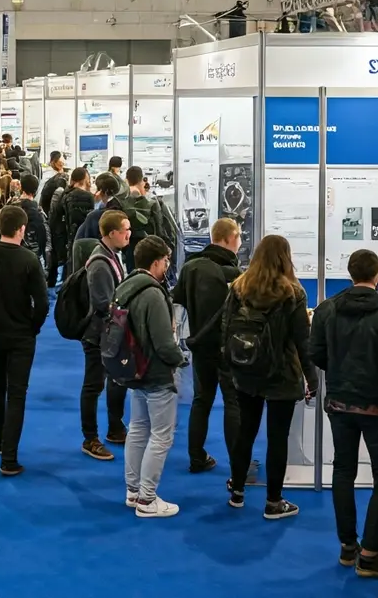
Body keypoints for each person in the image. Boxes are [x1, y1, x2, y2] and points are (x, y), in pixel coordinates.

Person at [308, 248, 378, 577]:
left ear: (350, 274)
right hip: (377, 405)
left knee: (343, 469)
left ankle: (348, 546)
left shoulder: (326, 310)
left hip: (339, 402)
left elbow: (316, 354)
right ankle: (370, 553)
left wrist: (339, 368)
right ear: (377, 276)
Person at [225, 234, 317, 520]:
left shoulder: (239, 287)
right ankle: (273, 502)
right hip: (282, 373)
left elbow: (226, 328)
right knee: (278, 439)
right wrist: (311, 378)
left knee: (246, 432)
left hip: (246, 370)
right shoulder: (293, 293)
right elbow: (302, 340)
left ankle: (237, 492)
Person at [0, 205, 49, 476]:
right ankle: (9, 457)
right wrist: (33, 327)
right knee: (17, 394)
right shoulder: (29, 260)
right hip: (21, 337)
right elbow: (42, 303)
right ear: (22, 229)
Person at [115, 235, 185, 518]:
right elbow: (164, 343)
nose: (167, 265)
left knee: (137, 429)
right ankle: (147, 499)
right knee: (161, 437)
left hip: (133, 369)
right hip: (156, 373)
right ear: (157, 262)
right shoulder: (153, 294)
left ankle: (134, 491)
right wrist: (180, 360)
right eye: (166, 260)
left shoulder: (125, 286)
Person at [172, 217, 242, 473]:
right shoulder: (234, 275)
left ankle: (196, 456)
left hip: (199, 343)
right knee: (232, 402)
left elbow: (178, 302)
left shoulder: (191, 267)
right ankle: (238, 465)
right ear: (230, 239)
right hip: (228, 347)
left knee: (201, 400)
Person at [81, 210, 131, 461]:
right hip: (98, 334)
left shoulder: (111, 255)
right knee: (94, 385)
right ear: (112, 233)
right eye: (125, 230)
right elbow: (103, 303)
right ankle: (90, 438)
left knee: (116, 380)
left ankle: (115, 428)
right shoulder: (101, 263)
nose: (129, 234)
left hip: (110, 332)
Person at [48, 167, 93, 283]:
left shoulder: (65, 194)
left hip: (65, 239)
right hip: (80, 239)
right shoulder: (86, 196)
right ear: (85, 179)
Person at [16, 174, 47, 269]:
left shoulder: (10, 207)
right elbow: (44, 236)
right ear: (36, 190)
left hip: (13, 251)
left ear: (21, 187)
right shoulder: (38, 212)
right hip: (33, 255)